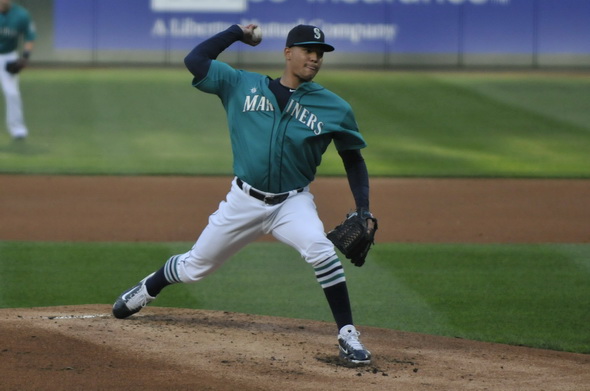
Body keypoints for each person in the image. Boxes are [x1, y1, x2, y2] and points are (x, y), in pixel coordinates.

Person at [113, 23, 377, 365]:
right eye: (308, 50)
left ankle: (347, 335)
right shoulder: (241, 84)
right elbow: (196, 60)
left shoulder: (334, 107)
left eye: (320, 53)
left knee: (321, 251)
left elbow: (353, 159)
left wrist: (364, 207)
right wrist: (237, 32)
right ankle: (149, 287)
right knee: (196, 267)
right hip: (244, 200)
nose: (314, 58)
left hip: (292, 203)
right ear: (288, 53)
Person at [0, 0, 35, 140]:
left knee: (12, 93)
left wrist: (25, 57)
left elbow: (29, 37)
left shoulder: (21, 15)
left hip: (8, 57)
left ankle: (17, 128)